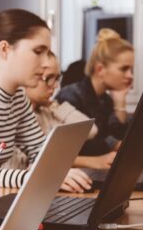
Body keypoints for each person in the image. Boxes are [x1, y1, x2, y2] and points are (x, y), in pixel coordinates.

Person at [0, 9, 92, 192]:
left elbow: (41, 153)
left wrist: (57, 172)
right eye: (38, 52)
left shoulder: (18, 99)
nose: (46, 63)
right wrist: (32, 177)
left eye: (47, 53)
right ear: (5, 49)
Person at [24, 52, 110, 169]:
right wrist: (93, 161)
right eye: (49, 78)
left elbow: (91, 131)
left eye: (57, 78)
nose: (54, 86)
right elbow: (34, 162)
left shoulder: (47, 112)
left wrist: (55, 106)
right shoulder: (20, 118)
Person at [55, 28, 133, 158]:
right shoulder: (70, 97)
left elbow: (117, 136)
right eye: (124, 69)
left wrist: (120, 102)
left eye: (131, 69)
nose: (130, 75)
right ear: (100, 69)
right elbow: (80, 148)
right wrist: (115, 145)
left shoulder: (105, 100)